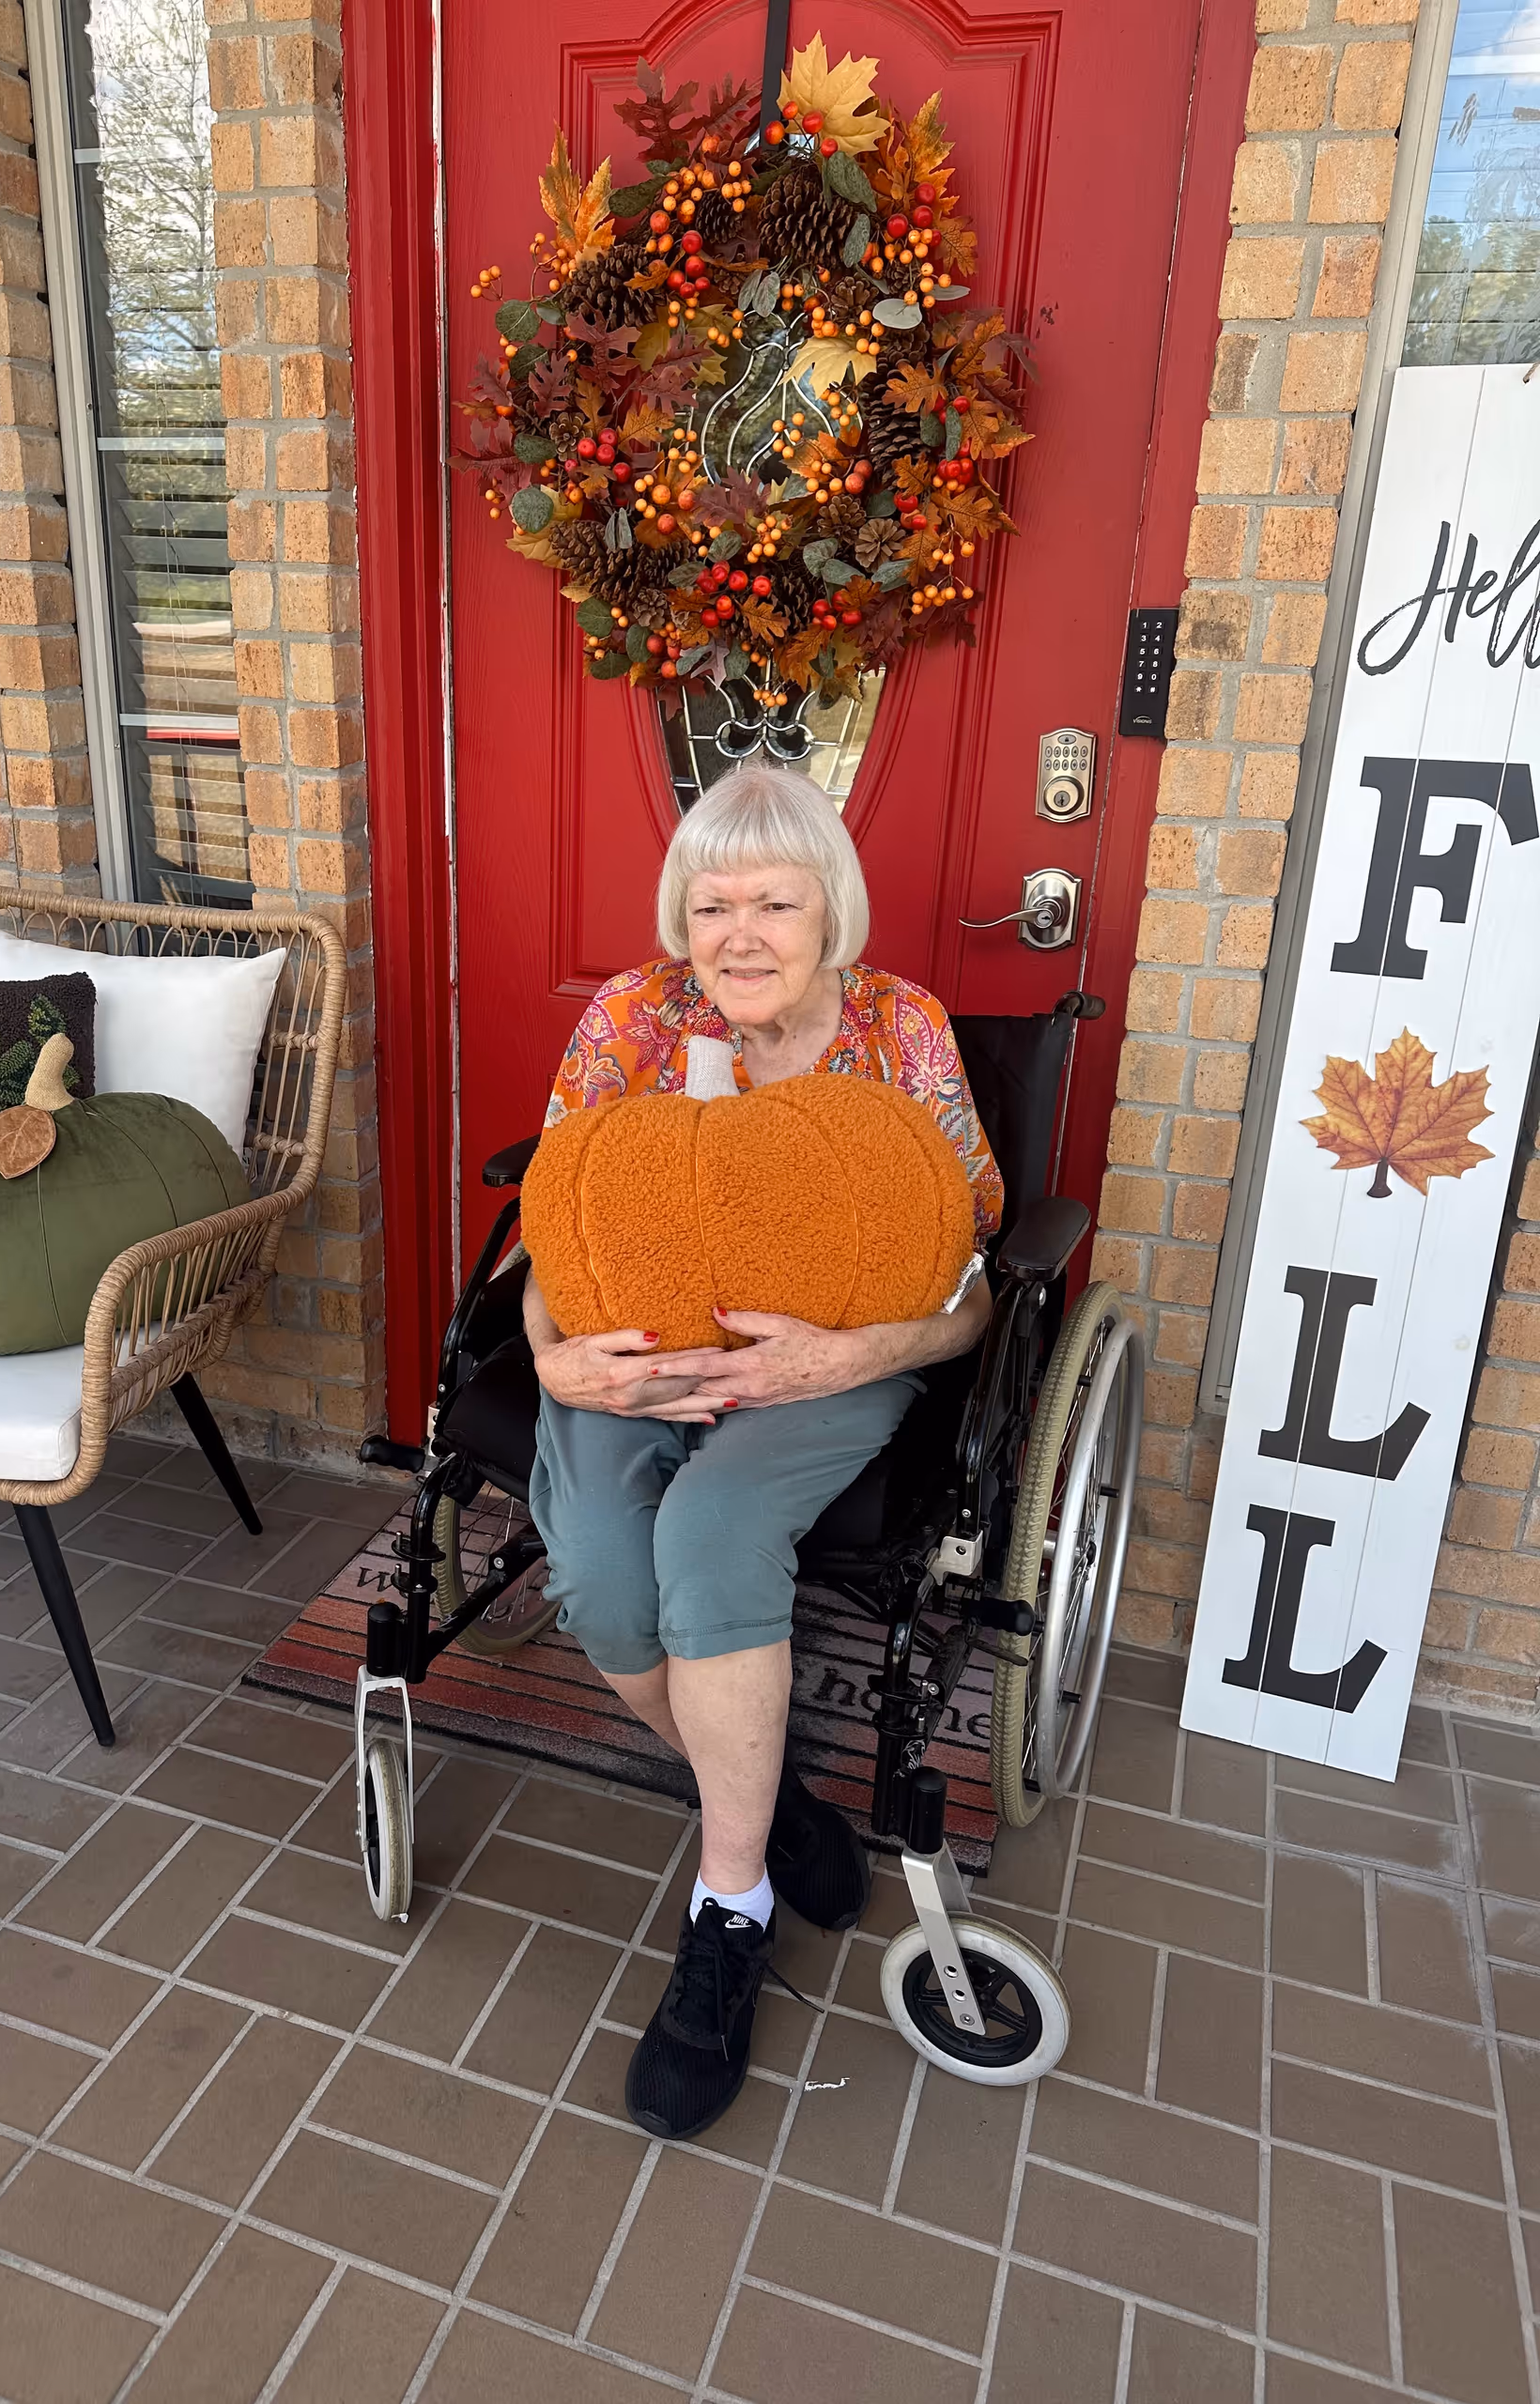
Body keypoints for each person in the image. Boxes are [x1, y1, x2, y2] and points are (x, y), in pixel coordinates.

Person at [521, 759, 1001, 2142]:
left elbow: (969, 1278)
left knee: (712, 1540)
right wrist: (555, 1355)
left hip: (824, 1363)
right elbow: (569, 1214)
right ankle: (773, 1795)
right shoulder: (632, 1017)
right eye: (711, 900)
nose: (738, 932)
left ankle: (727, 1910)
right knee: (610, 1580)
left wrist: (853, 1356)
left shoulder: (898, 1034)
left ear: (829, 909)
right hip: (631, 1360)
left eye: (773, 901)